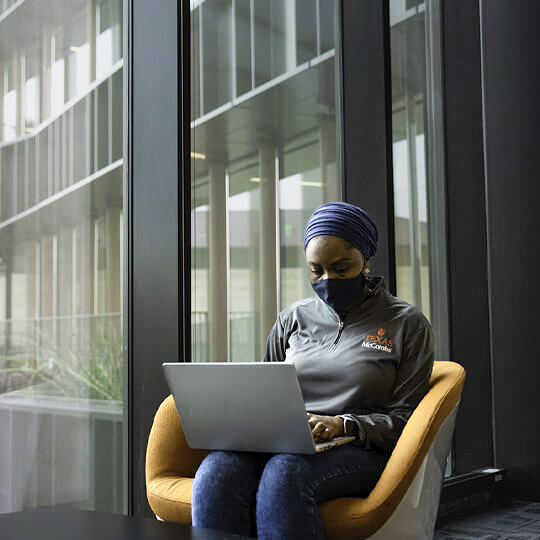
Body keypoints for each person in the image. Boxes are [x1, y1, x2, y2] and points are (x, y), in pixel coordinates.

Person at [191, 201, 434, 540]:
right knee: (215, 472)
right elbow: (263, 391)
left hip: (358, 447)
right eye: (316, 271)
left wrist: (342, 424)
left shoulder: (406, 324)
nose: (327, 280)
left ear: (366, 259)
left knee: (285, 473)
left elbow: (408, 420)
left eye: (341, 267)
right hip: (286, 442)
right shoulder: (292, 318)